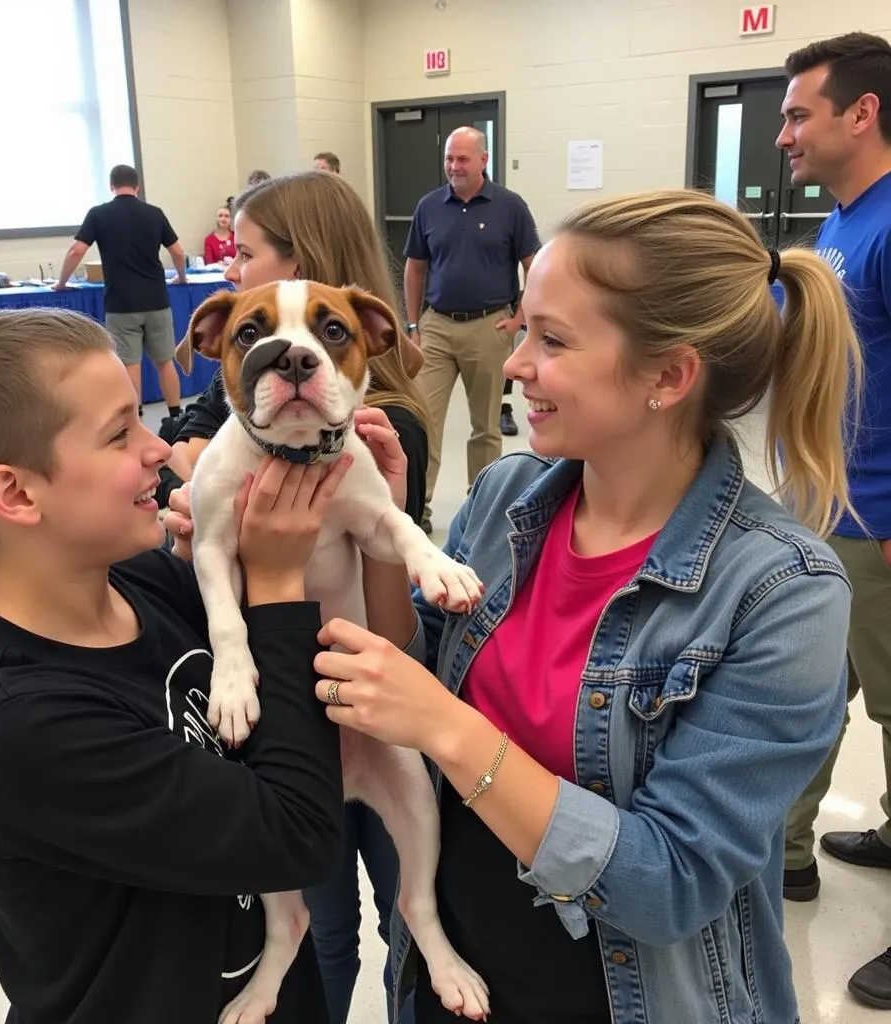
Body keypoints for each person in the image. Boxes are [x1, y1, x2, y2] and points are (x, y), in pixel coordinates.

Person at [283, 188, 859, 1022]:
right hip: (453, 975)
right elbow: (404, 672)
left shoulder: (782, 591)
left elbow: (669, 882)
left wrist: (451, 728)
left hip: (625, 997)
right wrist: (380, 532)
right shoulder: (508, 495)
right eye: (522, 329)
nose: (515, 365)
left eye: (551, 341)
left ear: (670, 375)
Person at [0, 306, 350, 1023]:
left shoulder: (145, 581)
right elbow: (299, 835)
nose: (159, 449)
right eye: (120, 433)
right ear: (16, 493)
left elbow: (315, 673)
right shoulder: (22, 726)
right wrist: (277, 586)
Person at [170, 169, 427, 1024]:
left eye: (243, 255)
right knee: (321, 921)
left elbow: (399, 622)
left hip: (368, 687)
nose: (232, 269)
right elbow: (207, 543)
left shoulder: (382, 435)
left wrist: (398, 523)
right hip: (278, 708)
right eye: (249, 330)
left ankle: (418, 961)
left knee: (409, 910)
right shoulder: (231, 425)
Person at [776, 31, 891, 1009]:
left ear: (861, 113)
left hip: (883, 513)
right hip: (829, 497)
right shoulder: (840, 225)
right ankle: (793, 851)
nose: (783, 135)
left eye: (797, 113)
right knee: (815, 682)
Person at [403, 127, 540, 533]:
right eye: (449, 159)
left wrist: (519, 320)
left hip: (489, 326)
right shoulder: (429, 207)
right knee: (422, 420)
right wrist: (414, 325)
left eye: (462, 159)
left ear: (483, 160)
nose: (454, 166)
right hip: (437, 328)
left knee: (486, 427)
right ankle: (417, 510)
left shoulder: (510, 207)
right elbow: (415, 267)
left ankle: (480, 507)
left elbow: (534, 265)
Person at [53, 164, 187, 419]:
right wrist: (181, 277)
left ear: (111, 186)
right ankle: (175, 414)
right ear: (137, 186)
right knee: (165, 361)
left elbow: (77, 251)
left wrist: (61, 283)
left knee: (130, 363)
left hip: (121, 303)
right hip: (157, 299)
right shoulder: (154, 213)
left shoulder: (98, 214)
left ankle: (135, 417)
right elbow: (178, 252)